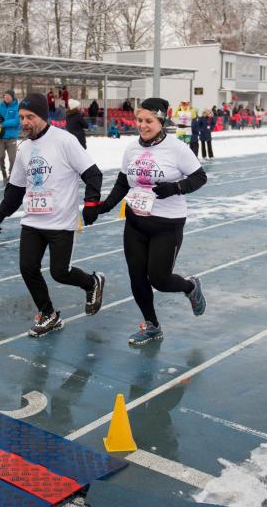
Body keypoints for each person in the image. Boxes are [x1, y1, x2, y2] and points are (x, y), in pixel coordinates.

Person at [0, 93, 105, 337]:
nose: (25, 122)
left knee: (59, 273)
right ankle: (48, 314)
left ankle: (92, 282)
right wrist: (0, 214)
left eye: (30, 117)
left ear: (43, 116)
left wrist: (92, 202)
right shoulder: (24, 148)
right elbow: (16, 188)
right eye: (21, 117)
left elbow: (93, 174)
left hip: (61, 221)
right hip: (32, 220)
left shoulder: (65, 141)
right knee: (27, 267)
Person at [96, 97, 207, 346]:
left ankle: (190, 287)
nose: (142, 125)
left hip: (167, 225)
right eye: (139, 120)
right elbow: (123, 182)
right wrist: (104, 206)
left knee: (159, 279)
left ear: (161, 121)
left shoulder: (177, 148)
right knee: (137, 277)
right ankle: (152, 325)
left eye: (149, 120)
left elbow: (200, 177)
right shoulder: (132, 148)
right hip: (135, 222)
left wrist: (176, 187)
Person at [0, 90, 20, 183]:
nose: (6, 98)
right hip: (1, 136)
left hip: (11, 137)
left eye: (8, 96)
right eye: (5, 96)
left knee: (13, 158)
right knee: (0, 156)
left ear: (12, 97)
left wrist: (3, 124)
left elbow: (16, 121)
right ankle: (3, 172)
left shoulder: (17, 107)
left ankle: (11, 175)